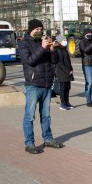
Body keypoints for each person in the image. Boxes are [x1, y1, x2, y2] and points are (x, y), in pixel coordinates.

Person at [18, 19, 64, 154]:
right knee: (29, 116)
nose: (39, 31)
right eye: (36, 29)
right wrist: (42, 47)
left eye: (41, 29)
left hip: (46, 83)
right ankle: (29, 143)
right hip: (33, 84)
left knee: (46, 115)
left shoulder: (42, 43)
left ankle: (48, 139)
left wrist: (52, 50)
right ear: (30, 30)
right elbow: (30, 61)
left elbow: (54, 62)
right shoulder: (23, 43)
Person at [78, 28, 92, 107]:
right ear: (85, 34)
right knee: (89, 83)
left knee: (91, 83)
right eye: (88, 33)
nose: (90, 34)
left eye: (91, 33)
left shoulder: (91, 41)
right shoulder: (82, 42)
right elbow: (85, 50)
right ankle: (88, 101)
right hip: (87, 64)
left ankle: (90, 100)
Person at [53, 36, 74, 110]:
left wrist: (71, 69)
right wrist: (67, 70)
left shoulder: (64, 49)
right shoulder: (57, 50)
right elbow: (59, 63)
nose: (65, 41)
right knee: (63, 88)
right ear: (59, 41)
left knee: (67, 87)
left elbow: (67, 61)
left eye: (65, 39)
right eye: (64, 40)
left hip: (67, 71)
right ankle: (62, 104)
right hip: (61, 72)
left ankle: (67, 102)